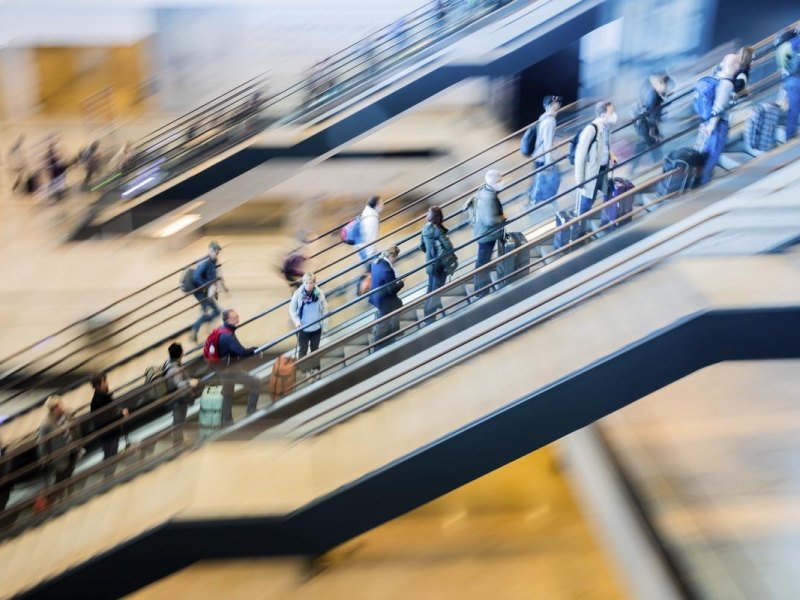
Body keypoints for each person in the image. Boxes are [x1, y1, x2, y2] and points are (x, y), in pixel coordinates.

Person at [698, 54, 740, 186]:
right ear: (734, 65)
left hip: (707, 120)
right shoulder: (727, 83)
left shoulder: (715, 76)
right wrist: (711, 125)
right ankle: (704, 181)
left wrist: (706, 123)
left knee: (706, 151)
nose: (739, 66)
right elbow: (719, 107)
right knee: (713, 153)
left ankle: (700, 178)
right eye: (738, 64)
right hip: (717, 124)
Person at [215, 309, 261, 424]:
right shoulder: (228, 335)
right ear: (229, 320)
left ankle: (227, 421)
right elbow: (241, 351)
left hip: (221, 370)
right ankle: (251, 410)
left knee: (228, 394)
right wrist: (254, 350)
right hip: (231, 371)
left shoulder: (220, 330)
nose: (238, 319)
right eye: (235, 317)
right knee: (256, 383)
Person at [574, 101, 618, 218]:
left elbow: (604, 146)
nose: (614, 115)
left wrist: (611, 155)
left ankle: (583, 228)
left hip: (601, 171)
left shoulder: (606, 128)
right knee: (585, 204)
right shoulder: (591, 130)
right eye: (611, 112)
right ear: (603, 115)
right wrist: (580, 180)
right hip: (590, 175)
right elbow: (580, 156)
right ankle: (578, 232)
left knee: (591, 200)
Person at [470, 170, 505, 297]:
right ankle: (482, 292)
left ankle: (479, 290)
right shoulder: (488, 197)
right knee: (483, 264)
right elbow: (489, 220)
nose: (502, 182)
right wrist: (502, 218)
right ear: (494, 182)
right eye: (500, 180)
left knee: (481, 263)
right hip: (486, 235)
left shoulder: (485, 191)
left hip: (484, 233)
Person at [629, 73, 672, 172]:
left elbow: (654, 115)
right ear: (661, 83)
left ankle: (633, 168)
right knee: (654, 144)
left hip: (643, 124)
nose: (667, 87)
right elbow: (652, 116)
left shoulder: (654, 93)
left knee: (643, 145)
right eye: (666, 84)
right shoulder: (653, 95)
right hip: (644, 124)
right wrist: (655, 133)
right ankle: (659, 166)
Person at [289, 273, 329, 376]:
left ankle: (316, 369)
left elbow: (325, 309)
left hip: (316, 328)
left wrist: (324, 325)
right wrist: (297, 321)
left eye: (311, 283)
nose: (308, 285)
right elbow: (292, 310)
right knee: (303, 350)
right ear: (303, 283)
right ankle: (304, 370)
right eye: (306, 283)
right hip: (303, 328)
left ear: (314, 283)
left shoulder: (319, 293)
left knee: (315, 350)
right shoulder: (298, 294)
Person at [38, 395, 79, 494]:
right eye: (60, 405)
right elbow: (43, 444)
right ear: (54, 408)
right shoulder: (46, 425)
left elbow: (75, 426)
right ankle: (59, 497)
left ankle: (70, 494)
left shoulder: (67, 414)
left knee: (70, 472)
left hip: (72, 450)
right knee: (60, 478)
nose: (63, 406)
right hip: (59, 456)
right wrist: (45, 459)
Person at [89, 372, 128, 476]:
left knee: (111, 457)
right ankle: (107, 479)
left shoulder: (104, 396)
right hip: (108, 435)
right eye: (104, 381)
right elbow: (106, 419)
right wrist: (121, 415)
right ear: (98, 385)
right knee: (110, 458)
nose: (107, 383)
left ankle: (108, 478)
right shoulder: (97, 402)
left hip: (111, 433)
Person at [419, 206, 453, 322]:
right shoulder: (438, 230)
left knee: (430, 289)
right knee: (436, 291)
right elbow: (449, 247)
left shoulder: (425, 229)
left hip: (430, 263)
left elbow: (422, 246)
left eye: (427, 213)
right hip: (440, 265)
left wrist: (430, 253)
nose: (425, 215)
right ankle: (430, 318)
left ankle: (426, 314)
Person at [191, 241, 227, 342]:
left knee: (210, 311)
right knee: (214, 311)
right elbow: (196, 277)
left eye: (218, 251)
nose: (217, 252)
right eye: (215, 251)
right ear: (210, 250)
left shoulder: (213, 262)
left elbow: (214, 275)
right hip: (201, 292)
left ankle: (201, 328)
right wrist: (208, 286)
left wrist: (219, 286)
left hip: (206, 292)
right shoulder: (206, 262)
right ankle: (195, 330)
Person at [369, 246, 404, 350]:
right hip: (384, 300)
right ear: (392, 256)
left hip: (375, 294)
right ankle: (377, 345)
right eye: (396, 258)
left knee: (398, 303)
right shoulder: (388, 270)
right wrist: (401, 283)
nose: (395, 260)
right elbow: (392, 290)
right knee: (383, 322)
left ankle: (395, 330)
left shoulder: (377, 261)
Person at [529, 95, 562, 203]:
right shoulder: (550, 121)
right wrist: (549, 162)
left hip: (538, 155)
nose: (559, 105)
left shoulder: (544, 117)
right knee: (542, 180)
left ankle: (534, 200)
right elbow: (547, 143)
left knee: (538, 179)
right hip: (542, 157)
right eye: (556, 103)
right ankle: (536, 201)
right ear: (550, 106)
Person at [164, 342, 199, 445]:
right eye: (182, 353)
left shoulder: (170, 362)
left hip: (178, 397)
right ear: (179, 355)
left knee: (178, 419)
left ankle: (178, 437)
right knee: (179, 419)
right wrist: (190, 382)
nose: (183, 354)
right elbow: (179, 384)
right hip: (178, 398)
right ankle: (177, 441)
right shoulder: (173, 370)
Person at [357, 195, 382, 268]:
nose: (383, 205)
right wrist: (371, 255)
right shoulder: (372, 219)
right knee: (372, 271)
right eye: (381, 203)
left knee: (369, 273)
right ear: (376, 205)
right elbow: (370, 236)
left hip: (361, 247)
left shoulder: (367, 212)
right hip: (366, 251)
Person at [783, 62, 800, 140]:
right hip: (796, 81)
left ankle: (789, 134)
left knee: (793, 112)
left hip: (791, 81)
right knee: (793, 111)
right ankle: (790, 134)